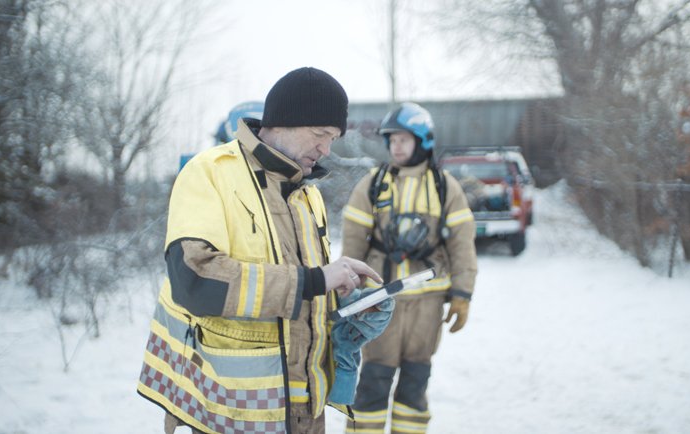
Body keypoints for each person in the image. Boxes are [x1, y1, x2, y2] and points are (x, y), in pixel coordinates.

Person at [137, 67, 394, 434]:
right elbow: (193, 279)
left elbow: (302, 293)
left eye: (333, 138)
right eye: (321, 134)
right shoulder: (209, 172)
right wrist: (315, 279)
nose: (327, 149)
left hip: (306, 413)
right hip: (228, 413)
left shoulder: (309, 195)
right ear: (285, 121)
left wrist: (344, 313)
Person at [341, 102, 478, 433]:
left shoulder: (445, 188)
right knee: (373, 380)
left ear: (423, 141)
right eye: (392, 140)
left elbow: (462, 244)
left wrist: (462, 294)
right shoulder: (373, 185)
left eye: (403, 139)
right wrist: (349, 290)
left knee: (415, 382)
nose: (396, 146)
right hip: (380, 301)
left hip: (427, 303)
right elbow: (354, 240)